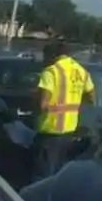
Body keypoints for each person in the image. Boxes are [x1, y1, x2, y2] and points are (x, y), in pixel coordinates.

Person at [33, 39, 95, 180]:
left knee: (43, 177)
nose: (43, 59)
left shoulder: (51, 72)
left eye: (45, 55)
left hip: (50, 131)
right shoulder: (81, 71)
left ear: (52, 54)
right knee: (59, 176)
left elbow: (43, 105)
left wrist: (34, 98)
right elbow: (91, 97)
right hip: (70, 132)